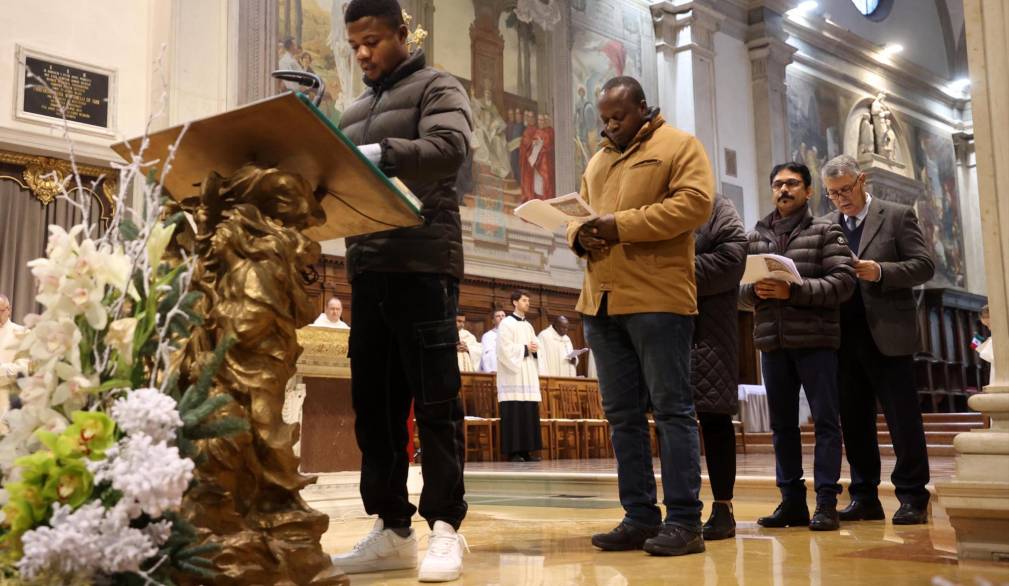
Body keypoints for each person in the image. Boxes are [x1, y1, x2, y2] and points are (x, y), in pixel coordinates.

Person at [328, 0, 473, 581]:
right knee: (376, 411)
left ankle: (445, 528)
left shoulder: (439, 86)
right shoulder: (353, 109)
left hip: (423, 263)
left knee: (435, 404)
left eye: (372, 41)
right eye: (354, 45)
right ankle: (391, 528)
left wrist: (381, 155)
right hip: (368, 267)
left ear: (401, 34)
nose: (362, 54)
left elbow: (449, 151)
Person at [569, 76, 713, 557]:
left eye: (618, 117)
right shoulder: (598, 159)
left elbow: (695, 204)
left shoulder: (678, 145)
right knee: (622, 416)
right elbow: (581, 213)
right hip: (601, 302)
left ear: (642, 109)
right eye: (604, 119)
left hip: (657, 299)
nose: (609, 126)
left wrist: (619, 226)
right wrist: (578, 234)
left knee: (672, 411)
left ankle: (686, 521)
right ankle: (638, 515)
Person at [740, 161, 856, 532]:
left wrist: (795, 290)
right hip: (773, 343)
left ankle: (825, 502)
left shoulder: (826, 230)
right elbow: (738, 291)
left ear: (808, 191)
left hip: (816, 341)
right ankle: (791, 501)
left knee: (824, 422)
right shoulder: (756, 235)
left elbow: (843, 284)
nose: (783, 190)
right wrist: (754, 292)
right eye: (777, 184)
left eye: (792, 184)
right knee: (782, 426)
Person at [821, 154, 935, 525]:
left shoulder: (897, 215)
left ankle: (913, 496)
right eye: (832, 194)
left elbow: (923, 265)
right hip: (843, 339)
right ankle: (865, 496)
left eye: (846, 190)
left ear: (862, 180)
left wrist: (880, 271)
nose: (841, 200)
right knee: (854, 422)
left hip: (888, 335)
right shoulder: (825, 225)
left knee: (903, 421)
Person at [691, 197, 747, 540]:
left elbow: (732, 258)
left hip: (710, 330)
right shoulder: (655, 204)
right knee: (671, 420)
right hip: (664, 326)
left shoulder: (716, 208)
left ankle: (723, 508)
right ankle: (681, 507)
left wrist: (671, 267)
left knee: (714, 418)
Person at [496, 290, 543, 462]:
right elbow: (503, 350)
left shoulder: (529, 325)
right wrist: (524, 348)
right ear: (515, 302)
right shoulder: (506, 324)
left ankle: (526, 451)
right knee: (514, 412)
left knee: (528, 411)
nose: (528, 303)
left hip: (527, 373)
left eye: (528, 300)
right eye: (524, 300)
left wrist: (536, 349)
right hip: (512, 375)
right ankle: (513, 452)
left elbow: (536, 346)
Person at [0, 295, 27, 423]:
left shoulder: (22, 333)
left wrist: (2, 370)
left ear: (9, 310)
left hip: (6, 401)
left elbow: (24, 369)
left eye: (0, 311)